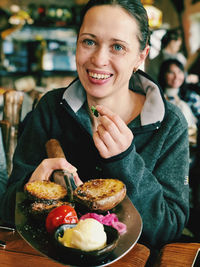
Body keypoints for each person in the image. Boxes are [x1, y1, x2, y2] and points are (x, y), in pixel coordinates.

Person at [0, 0, 190, 249]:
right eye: (89, 41)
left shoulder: (169, 124)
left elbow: (168, 228)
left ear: (140, 56)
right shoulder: (51, 108)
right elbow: (6, 214)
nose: (99, 59)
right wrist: (30, 190)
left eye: (118, 47)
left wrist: (124, 160)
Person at [158, 58, 199, 145]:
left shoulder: (192, 97)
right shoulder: (158, 98)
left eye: (180, 72)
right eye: (171, 72)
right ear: (163, 75)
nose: (176, 77)